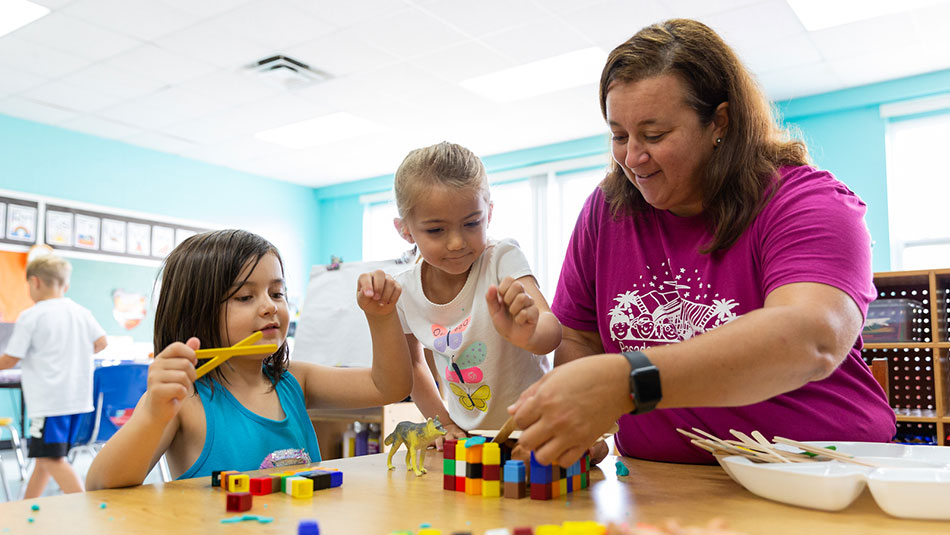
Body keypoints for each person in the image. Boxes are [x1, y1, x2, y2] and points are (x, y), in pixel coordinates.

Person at [508, 19, 896, 467]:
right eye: (619, 136)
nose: (633, 157)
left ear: (720, 123)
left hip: (818, 475)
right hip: (662, 483)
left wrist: (629, 382)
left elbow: (811, 337)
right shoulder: (606, 210)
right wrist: (581, 421)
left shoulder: (808, 202)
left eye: (654, 135)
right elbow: (578, 334)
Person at [85, 229, 411, 489]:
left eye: (277, 292)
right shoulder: (182, 401)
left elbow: (389, 386)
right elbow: (101, 484)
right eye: (245, 296)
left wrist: (381, 318)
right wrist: (153, 414)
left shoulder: (295, 380)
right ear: (196, 313)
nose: (270, 306)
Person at [389, 141, 562, 445]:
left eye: (471, 223)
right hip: (471, 438)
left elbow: (552, 331)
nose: (457, 242)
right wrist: (441, 422)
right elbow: (413, 366)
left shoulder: (501, 257)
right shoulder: (404, 291)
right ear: (405, 230)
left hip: (536, 425)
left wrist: (531, 331)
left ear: (489, 213)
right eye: (436, 231)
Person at [0, 255, 107, 498]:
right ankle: (26, 509)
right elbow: (101, 342)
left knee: (51, 459)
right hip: (77, 401)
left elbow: (10, 359)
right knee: (45, 459)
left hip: (49, 403)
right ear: (65, 286)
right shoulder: (81, 312)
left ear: (34, 282)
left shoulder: (32, 316)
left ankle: (86, 510)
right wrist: (74, 353)